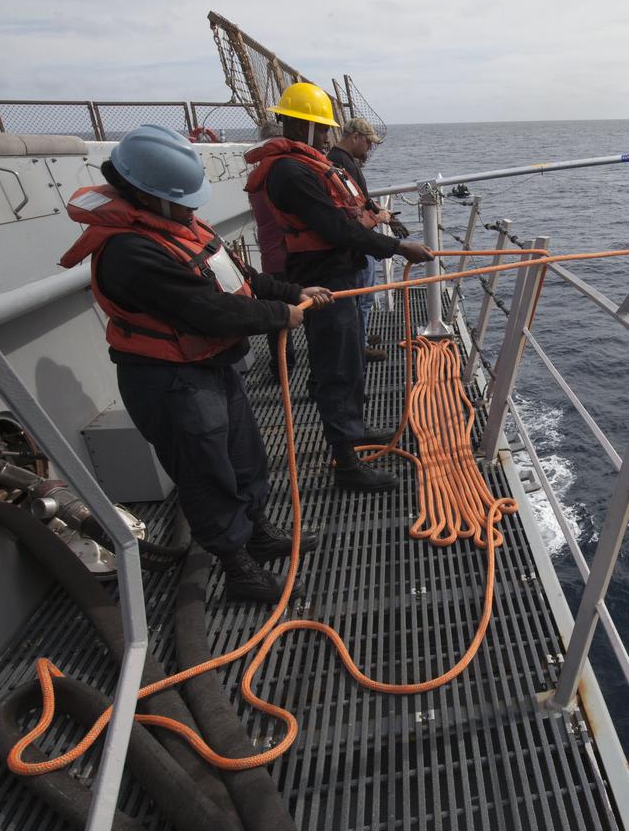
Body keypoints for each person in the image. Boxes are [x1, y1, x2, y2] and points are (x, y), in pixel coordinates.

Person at [59, 124, 332, 603]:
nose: (193, 208)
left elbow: (238, 278)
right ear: (148, 195)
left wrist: (292, 292)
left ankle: (258, 532)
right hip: (171, 381)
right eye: (184, 200)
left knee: (246, 457)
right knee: (206, 474)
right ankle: (237, 568)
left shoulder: (180, 227)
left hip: (212, 366)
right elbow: (211, 310)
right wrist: (281, 316)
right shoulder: (131, 251)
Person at [244, 83, 433, 493]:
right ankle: (346, 464)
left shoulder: (304, 165)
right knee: (335, 370)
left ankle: (356, 428)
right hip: (323, 279)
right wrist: (398, 246)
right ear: (302, 126)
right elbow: (335, 228)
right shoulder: (290, 172)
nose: (329, 138)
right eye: (323, 129)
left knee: (348, 362)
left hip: (335, 272)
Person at [327, 117, 410, 364]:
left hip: (358, 240)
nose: (369, 149)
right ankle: (359, 347)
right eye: (368, 143)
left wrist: (378, 212)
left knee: (362, 299)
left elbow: (360, 200)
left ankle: (359, 338)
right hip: (357, 242)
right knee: (362, 298)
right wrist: (379, 218)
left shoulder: (342, 162)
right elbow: (353, 212)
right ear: (356, 137)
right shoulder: (341, 164)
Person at [249, 119, 296, 375]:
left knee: (276, 317)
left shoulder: (255, 179)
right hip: (290, 255)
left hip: (270, 256)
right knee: (306, 311)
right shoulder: (280, 176)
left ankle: (281, 366)